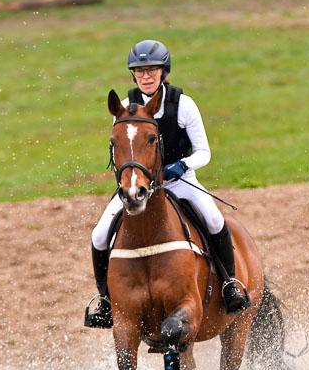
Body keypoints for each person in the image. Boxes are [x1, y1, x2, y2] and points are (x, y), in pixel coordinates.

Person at [85, 39, 250, 329]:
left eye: (152, 70)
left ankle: (230, 285)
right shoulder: (124, 107)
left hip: (181, 181)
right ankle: (106, 301)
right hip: (140, 185)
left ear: (164, 72)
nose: (145, 77)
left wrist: (182, 165)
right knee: (100, 235)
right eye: (139, 71)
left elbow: (204, 152)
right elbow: (121, 146)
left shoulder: (183, 105)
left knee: (213, 220)